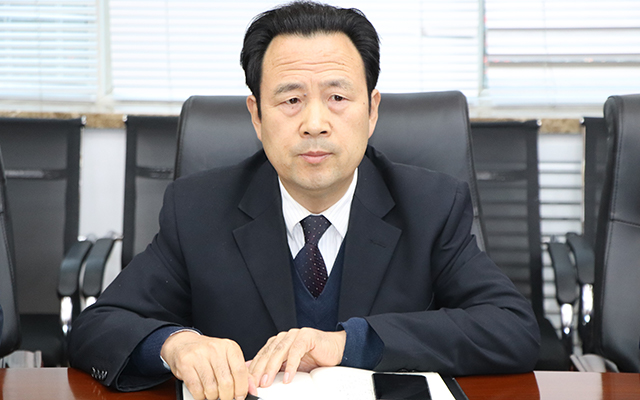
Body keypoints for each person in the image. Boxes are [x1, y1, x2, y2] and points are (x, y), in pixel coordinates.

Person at [68, 2, 540, 400]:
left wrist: (348, 344)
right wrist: (174, 344)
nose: (315, 123)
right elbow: (98, 326)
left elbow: (512, 329)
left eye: (337, 97)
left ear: (372, 110)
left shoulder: (430, 205)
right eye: (291, 100)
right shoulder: (197, 208)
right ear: (257, 115)